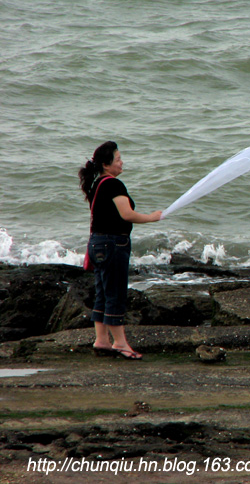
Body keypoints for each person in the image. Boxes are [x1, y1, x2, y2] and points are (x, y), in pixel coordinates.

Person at [78, 141, 162, 360]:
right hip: (113, 244)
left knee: (103, 292)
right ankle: (120, 344)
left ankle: (102, 340)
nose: (122, 161)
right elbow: (127, 214)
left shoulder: (97, 184)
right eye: (118, 159)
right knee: (115, 292)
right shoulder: (114, 184)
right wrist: (152, 217)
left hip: (97, 243)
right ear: (106, 165)